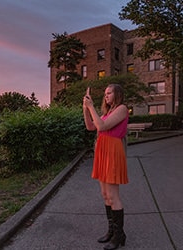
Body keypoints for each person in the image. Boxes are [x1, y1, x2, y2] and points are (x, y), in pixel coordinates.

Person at [83, 84, 129, 250]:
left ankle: (119, 236)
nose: (106, 96)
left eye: (109, 93)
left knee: (113, 195)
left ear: (117, 94)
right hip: (102, 153)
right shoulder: (106, 113)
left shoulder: (122, 109)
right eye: (105, 94)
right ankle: (112, 231)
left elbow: (102, 127)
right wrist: (85, 108)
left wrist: (91, 106)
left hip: (113, 152)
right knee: (104, 194)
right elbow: (91, 127)